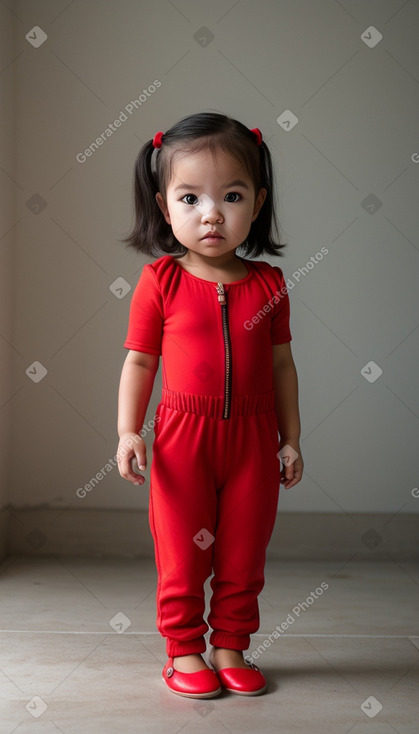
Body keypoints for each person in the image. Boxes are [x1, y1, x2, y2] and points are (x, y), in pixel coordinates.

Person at [116, 111, 303, 699]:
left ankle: (231, 644)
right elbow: (140, 362)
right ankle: (185, 650)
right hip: (182, 441)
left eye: (232, 195)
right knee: (183, 552)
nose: (212, 213)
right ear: (164, 206)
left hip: (253, 440)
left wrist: (291, 438)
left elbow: (281, 367)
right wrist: (128, 432)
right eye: (191, 197)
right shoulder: (160, 282)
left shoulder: (269, 286)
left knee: (244, 551)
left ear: (258, 202)